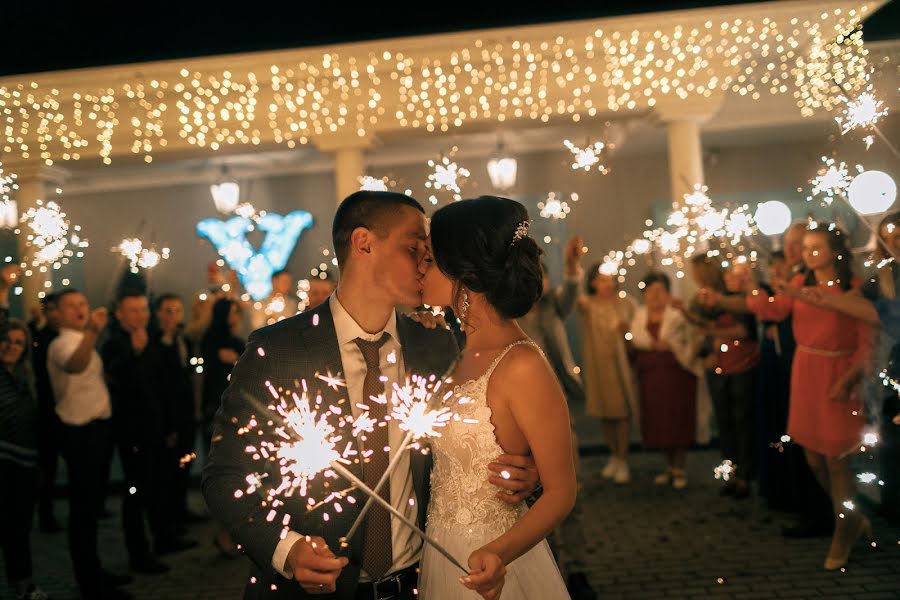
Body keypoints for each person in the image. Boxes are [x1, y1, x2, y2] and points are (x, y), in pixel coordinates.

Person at [202, 191, 539, 599]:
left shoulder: (437, 347)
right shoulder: (278, 350)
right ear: (364, 244)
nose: (426, 263)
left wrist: (524, 474)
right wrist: (287, 550)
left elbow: (466, 449)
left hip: (421, 583)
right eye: (415, 248)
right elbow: (224, 475)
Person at [418, 196, 574, 599]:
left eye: (431, 259)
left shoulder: (521, 365)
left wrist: (497, 552)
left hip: (492, 555)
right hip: (439, 545)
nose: (421, 268)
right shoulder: (453, 351)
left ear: (464, 275)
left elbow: (561, 491)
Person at [745, 223, 873, 570]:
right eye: (806, 248)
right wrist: (752, 289)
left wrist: (849, 378)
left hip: (837, 375)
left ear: (834, 252)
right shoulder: (801, 283)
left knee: (837, 460)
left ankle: (843, 531)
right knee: (814, 458)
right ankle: (851, 515)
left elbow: (867, 341)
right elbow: (775, 310)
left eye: (816, 248)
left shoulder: (853, 289)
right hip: (805, 372)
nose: (808, 253)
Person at [517, 236, 597, 600]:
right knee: (535, 499)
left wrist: (571, 267)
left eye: (544, 276)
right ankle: (549, 570)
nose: (541, 283)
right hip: (522, 416)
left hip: (560, 410)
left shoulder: (552, 306)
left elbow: (570, 294)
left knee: (570, 493)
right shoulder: (509, 312)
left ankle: (578, 570)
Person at [47, 289, 132, 600]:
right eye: (71, 305)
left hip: (97, 430)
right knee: (82, 511)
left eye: (82, 303)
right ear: (57, 312)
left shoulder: (84, 340)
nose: (80, 309)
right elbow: (75, 366)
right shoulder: (60, 344)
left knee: (92, 508)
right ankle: (89, 582)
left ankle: (95, 570)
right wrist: (93, 333)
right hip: (78, 433)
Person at [0, 266, 50, 600]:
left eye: (18, 342)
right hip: (1, 460)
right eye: (6, 340)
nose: (12, 346)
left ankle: (23, 584)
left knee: (19, 528)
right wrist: (4, 290)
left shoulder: (28, 380)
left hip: (24, 462)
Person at [630, 272, 705, 489]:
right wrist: (652, 345)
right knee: (657, 420)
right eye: (651, 291)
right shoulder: (639, 314)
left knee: (676, 418)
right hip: (650, 376)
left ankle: (680, 468)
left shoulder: (677, 315)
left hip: (676, 374)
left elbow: (694, 336)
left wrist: (672, 346)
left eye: (660, 290)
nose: (655, 295)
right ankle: (669, 467)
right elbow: (636, 338)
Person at [577, 263, 638, 484]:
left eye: (610, 279)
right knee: (605, 412)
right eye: (602, 280)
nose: (608, 284)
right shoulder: (587, 304)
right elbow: (574, 292)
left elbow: (637, 332)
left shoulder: (626, 303)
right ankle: (613, 455)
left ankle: (623, 458)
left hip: (620, 365)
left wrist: (627, 333)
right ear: (593, 282)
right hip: (598, 365)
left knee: (621, 412)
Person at [153, 293, 203, 531]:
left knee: (185, 463)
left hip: (186, 413)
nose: (173, 316)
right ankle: (168, 521)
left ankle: (180, 510)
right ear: (159, 314)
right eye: (168, 311)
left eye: (177, 311)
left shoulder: (183, 340)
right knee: (168, 470)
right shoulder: (156, 343)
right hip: (167, 415)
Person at [31, 292, 63, 533]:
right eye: (49, 309)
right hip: (46, 409)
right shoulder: (39, 336)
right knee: (47, 465)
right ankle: (45, 513)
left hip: (67, 407)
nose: (53, 314)